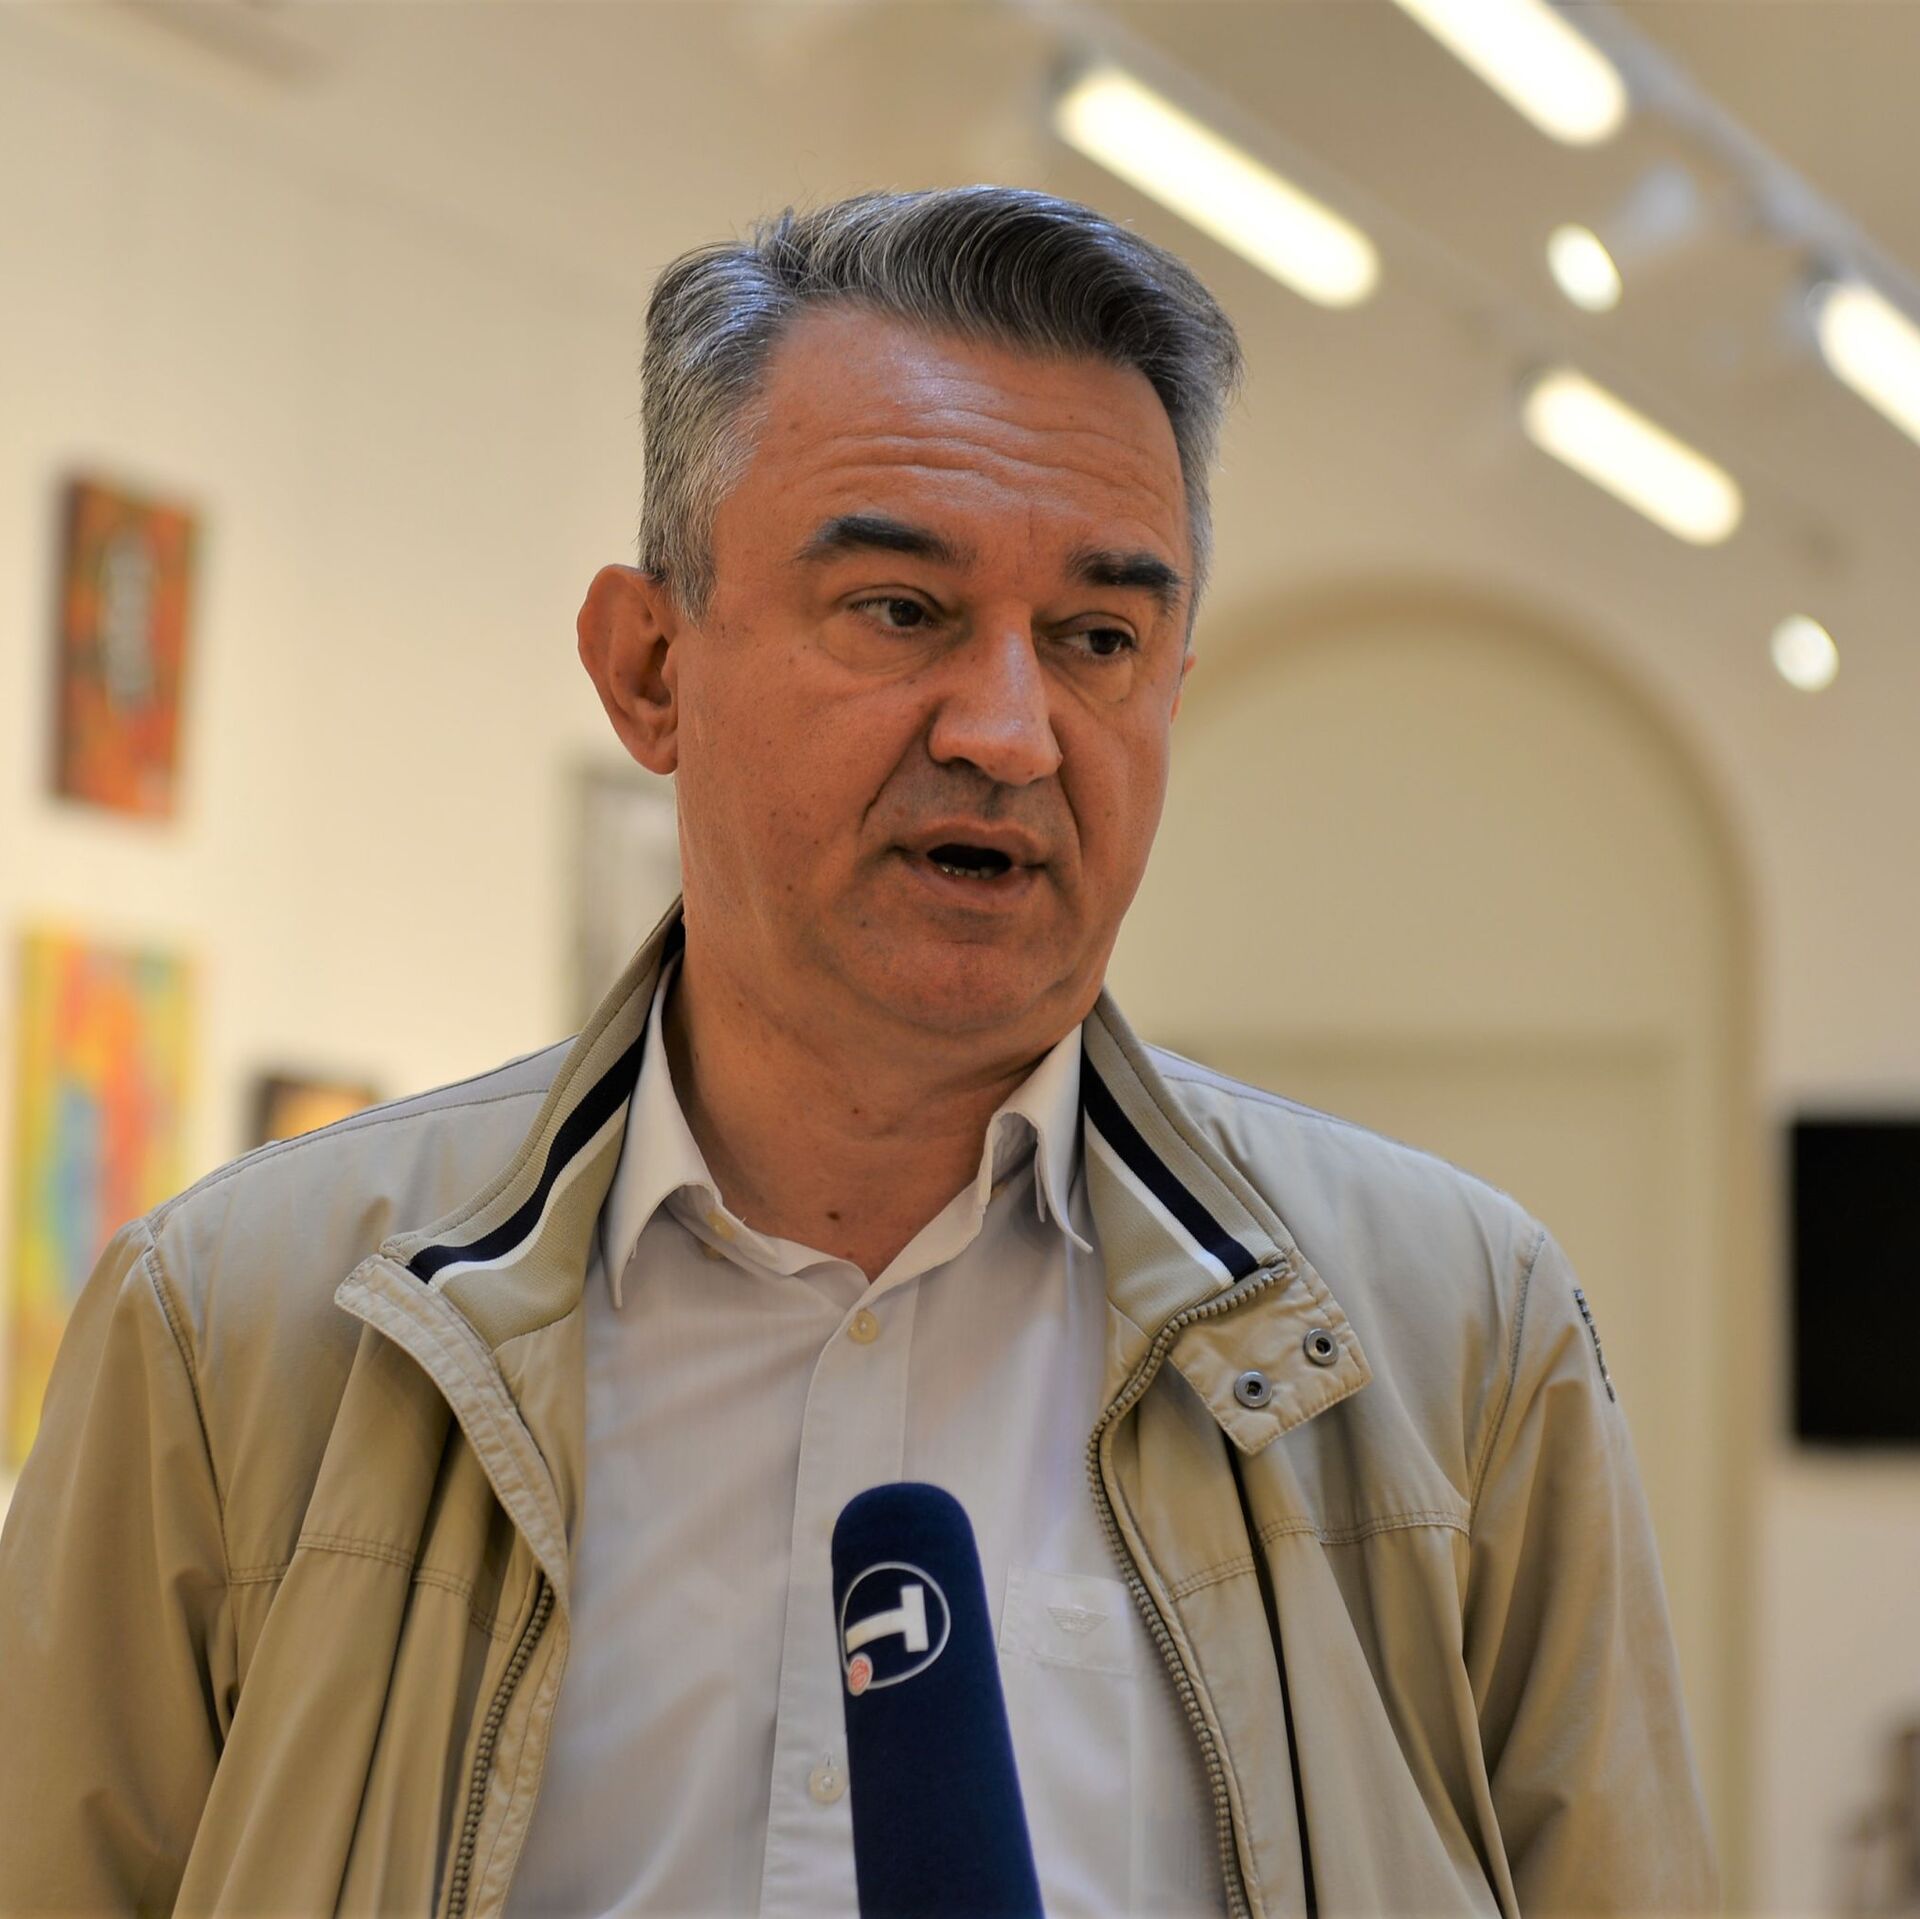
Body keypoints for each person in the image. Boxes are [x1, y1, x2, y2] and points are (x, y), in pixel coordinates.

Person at [0, 186, 1715, 1917]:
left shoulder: (1456, 1338)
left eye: (1098, 640)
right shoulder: (236, 1336)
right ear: (649, 667)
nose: (1011, 732)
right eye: (900, 609)